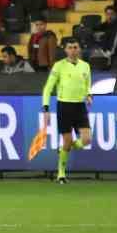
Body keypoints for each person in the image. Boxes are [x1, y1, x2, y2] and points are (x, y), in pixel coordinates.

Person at [40, 39, 93, 186]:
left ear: (79, 49)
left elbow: (88, 84)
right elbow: (48, 88)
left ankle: (63, 149)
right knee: (67, 141)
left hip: (80, 106)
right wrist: (46, 108)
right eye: (70, 48)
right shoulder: (59, 66)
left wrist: (89, 95)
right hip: (64, 106)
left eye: (75, 47)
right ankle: (61, 173)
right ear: (65, 50)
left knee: (86, 140)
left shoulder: (85, 66)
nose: (73, 50)